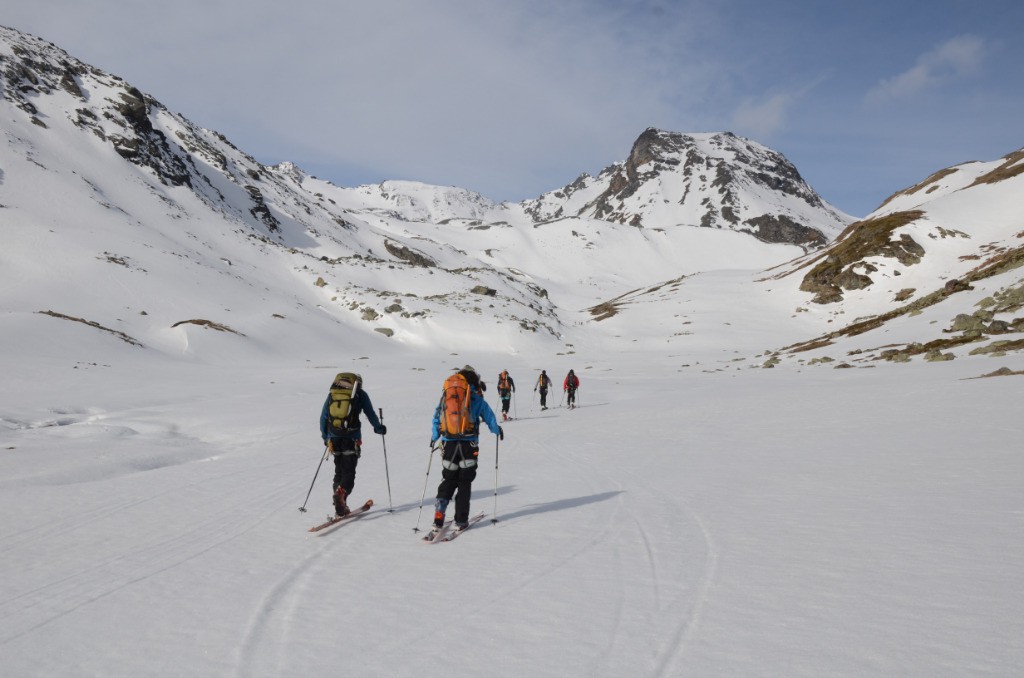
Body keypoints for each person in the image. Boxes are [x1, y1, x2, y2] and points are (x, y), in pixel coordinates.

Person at [430, 365, 503, 532]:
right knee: (464, 482)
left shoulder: (447, 397)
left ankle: (439, 515)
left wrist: (435, 436)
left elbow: (437, 418)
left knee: (448, 479)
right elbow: (489, 417)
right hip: (469, 446)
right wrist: (497, 430)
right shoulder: (476, 399)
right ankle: (461, 520)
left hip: (449, 444)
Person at [319, 373, 386, 517]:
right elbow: (370, 413)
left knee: (339, 471)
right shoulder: (360, 394)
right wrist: (379, 428)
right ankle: (341, 494)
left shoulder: (333, 394)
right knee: (349, 472)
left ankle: (341, 505)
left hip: (334, 439)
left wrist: (326, 437)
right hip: (351, 438)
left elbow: (323, 417)